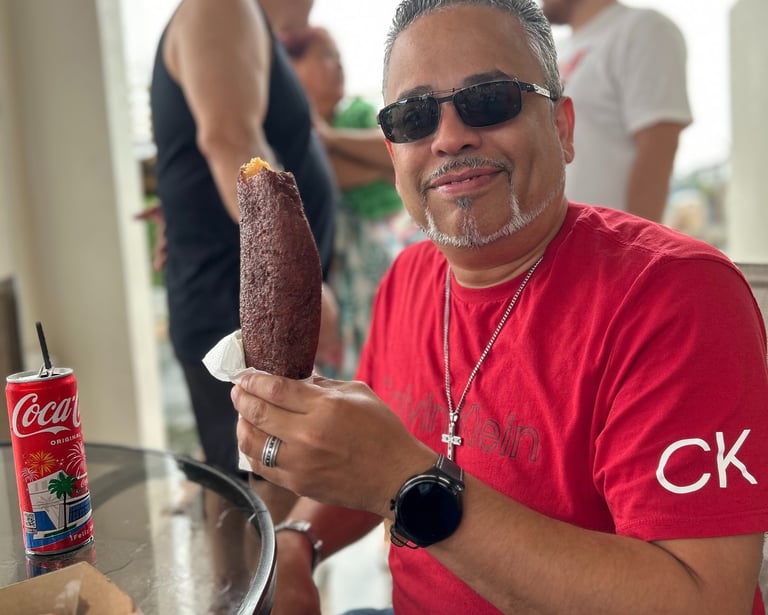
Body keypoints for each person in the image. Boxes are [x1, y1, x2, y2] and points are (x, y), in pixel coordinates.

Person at [231, 1, 768, 613]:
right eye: (413, 117)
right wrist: (299, 540)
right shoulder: (407, 279)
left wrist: (408, 483)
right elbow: (366, 457)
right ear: (394, 154)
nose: (449, 137)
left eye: (489, 100)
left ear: (563, 128)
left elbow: (704, 599)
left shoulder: (677, 294)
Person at [148, 0, 340, 520]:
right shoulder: (222, 7)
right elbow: (230, 140)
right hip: (246, 315)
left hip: (252, 307)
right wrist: (301, 283)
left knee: (255, 494)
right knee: (261, 501)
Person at [281, 25, 422, 379]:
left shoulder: (357, 114)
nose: (339, 66)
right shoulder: (288, 133)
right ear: (291, 67)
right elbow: (327, 177)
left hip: (383, 243)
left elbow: (396, 152)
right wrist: (375, 168)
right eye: (326, 56)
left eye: (339, 57)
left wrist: (330, 139)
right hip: (336, 263)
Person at [541, 0, 692, 221]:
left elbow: (657, 150)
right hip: (560, 239)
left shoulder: (643, 29)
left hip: (607, 239)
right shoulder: (555, 51)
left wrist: (635, 241)